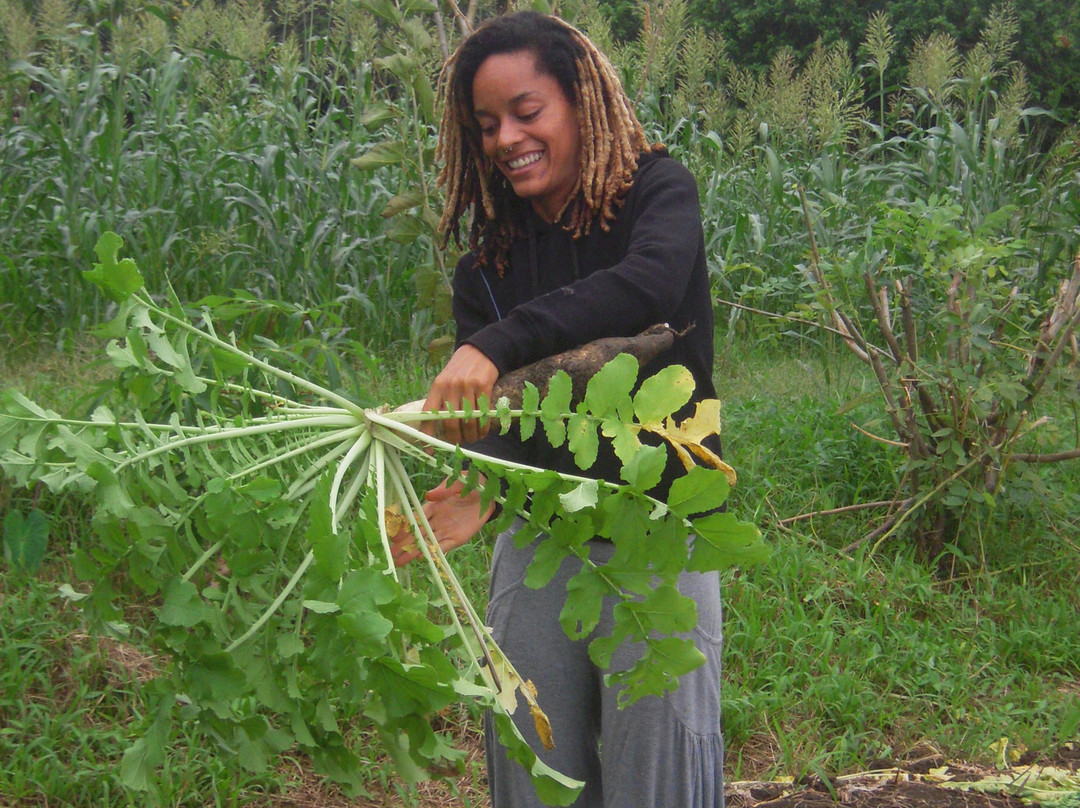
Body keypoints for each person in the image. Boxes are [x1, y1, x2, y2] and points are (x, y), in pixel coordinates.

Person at [390, 11, 725, 807]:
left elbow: (646, 290)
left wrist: (497, 345)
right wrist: (481, 485)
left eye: (526, 111)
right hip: (543, 538)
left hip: (661, 527)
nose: (507, 138)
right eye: (487, 125)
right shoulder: (489, 265)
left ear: (579, 101)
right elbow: (505, 422)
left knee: (661, 774)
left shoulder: (657, 196)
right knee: (532, 762)